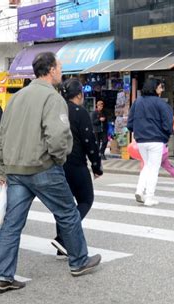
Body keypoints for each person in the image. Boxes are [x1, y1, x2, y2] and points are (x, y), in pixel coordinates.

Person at [0, 52, 100, 293]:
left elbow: (3, 133)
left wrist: (2, 166)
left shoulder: (17, 97)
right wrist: (58, 158)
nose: (61, 71)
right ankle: (79, 261)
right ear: (51, 70)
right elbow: (59, 135)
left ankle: (2, 276)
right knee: (68, 213)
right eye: (59, 67)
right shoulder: (52, 98)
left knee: (12, 224)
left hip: (15, 169)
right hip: (42, 167)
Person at [51, 78, 103, 258]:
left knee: (64, 205)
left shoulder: (56, 110)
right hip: (76, 164)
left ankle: (61, 246)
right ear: (80, 95)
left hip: (57, 163)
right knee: (86, 199)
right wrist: (96, 166)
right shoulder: (80, 112)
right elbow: (90, 141)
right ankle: (64, 238)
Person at [127, 79, 173, 207]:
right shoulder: (161, 103)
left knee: (147, 165)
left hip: (141, 140)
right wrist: (166, 135)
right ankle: (149, 197)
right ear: (154, 88)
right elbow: (168, 123)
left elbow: (130, 123)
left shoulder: (137, 102)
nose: (161, 89)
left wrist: (137, 132)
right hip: (156, 140)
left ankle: (139, 190)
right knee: (153, 168)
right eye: (160, 87)